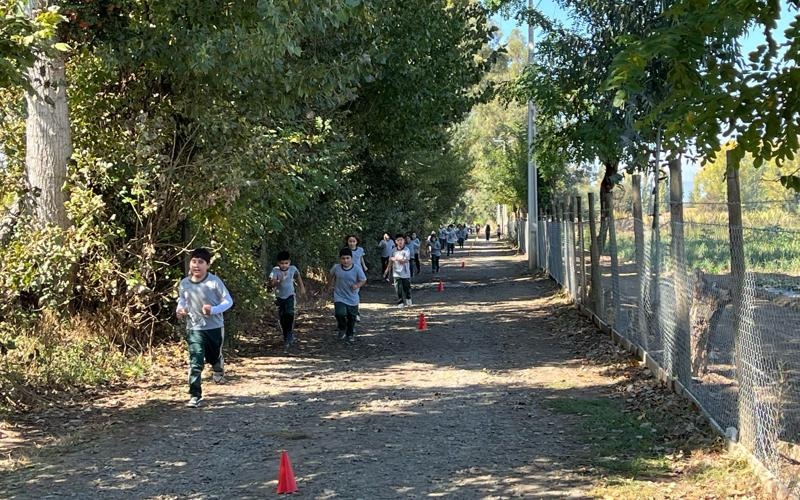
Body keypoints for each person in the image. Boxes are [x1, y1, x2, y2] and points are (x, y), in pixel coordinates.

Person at [176, 247, 234, 408]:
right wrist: (180, 310)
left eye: (201, 262)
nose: (196, 265)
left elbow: (228, 301)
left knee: (213, 356)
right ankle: (195, 395)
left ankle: (218, 364)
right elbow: (182, 300)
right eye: (194, 261)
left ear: (207, 265)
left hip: (214, 327)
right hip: (194, 328)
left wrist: (213, 310)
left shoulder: (214, 282)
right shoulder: (184, 283)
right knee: (195, 361)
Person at [270, 250, 306, 353]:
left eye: (286, 263)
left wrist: (302, 288)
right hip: (279, 297)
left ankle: (289, 333)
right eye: (282, 263)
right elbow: (272, 283)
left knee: (289, 314)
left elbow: (298, 277)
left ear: (289, 262)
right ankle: (286, 334)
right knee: (282, 317)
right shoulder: (275, 270)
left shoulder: (293, 269)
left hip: (290, 295)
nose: (284, 265)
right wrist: (278, 280)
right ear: (278, 263)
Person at [328, 247, 367, 343]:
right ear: (340, 259)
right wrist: (329, 285)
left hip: (352, 297)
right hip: (339, 295)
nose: (345, 261)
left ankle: (350, 334)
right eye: (343, 258)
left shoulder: (357, 268)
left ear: (351, 258)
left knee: (352, 317)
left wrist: (357, 285)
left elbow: (363, 280)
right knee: (340, 313)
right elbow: (331, 275)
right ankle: (342, 328)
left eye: (347, 258)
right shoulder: (336, 268)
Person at [384, 233, 412, 307]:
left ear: (404, 241)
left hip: (405, 273)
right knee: (398, 289)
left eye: (401, 240)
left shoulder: (407, 250)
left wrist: (396, 259)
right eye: (398, 240)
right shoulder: (393, 250)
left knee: (406, 288)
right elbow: (390, 260)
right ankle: (400, 302)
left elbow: (405, 260)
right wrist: (387, 270)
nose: (400, 241)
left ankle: (408, 298)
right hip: (396, 273)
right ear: (396, 242)